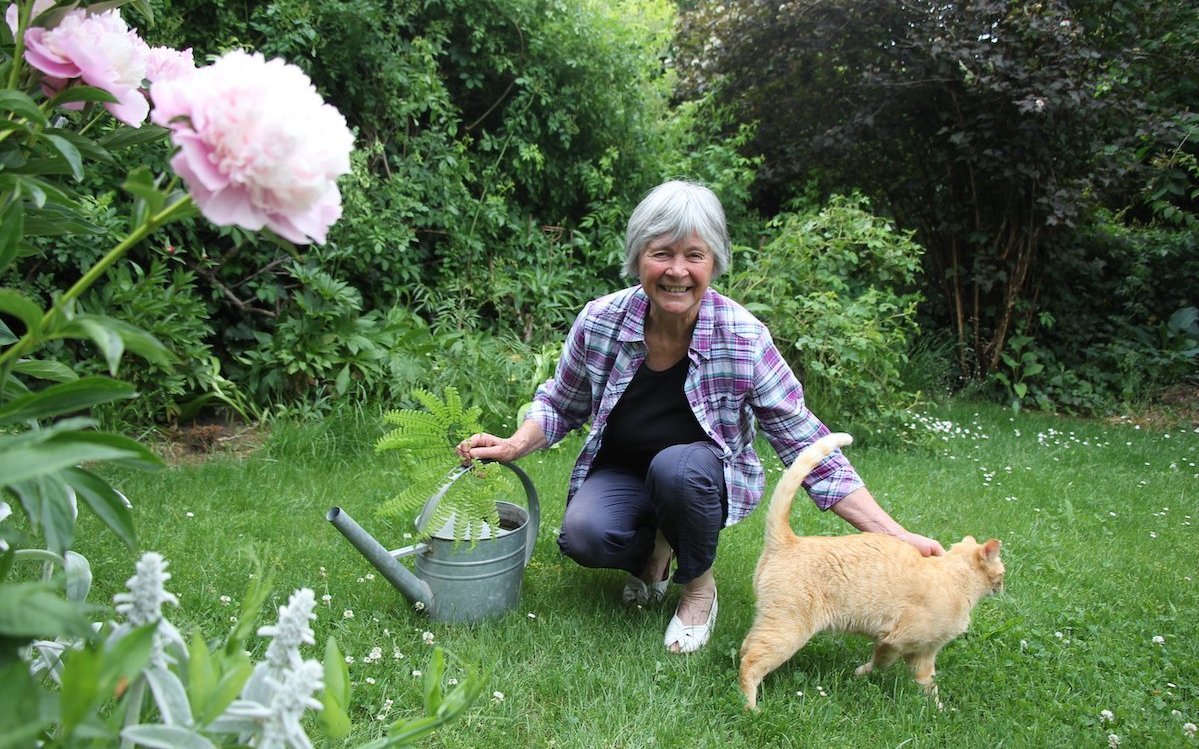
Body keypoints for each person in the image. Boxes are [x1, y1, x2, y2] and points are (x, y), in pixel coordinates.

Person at [456, 180, 944, 654]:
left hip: (697, 475)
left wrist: (894, 535)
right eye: (661, 253)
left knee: (679, 470)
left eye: (694, 255)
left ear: (714, 263)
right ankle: (656, 554)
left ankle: (697, 589)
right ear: (638, 259)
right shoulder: (601, 320)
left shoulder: (743, 338)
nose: (677, 271)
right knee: (584, 537)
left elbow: (805, 444)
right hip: (623, 468)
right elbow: (562, 400)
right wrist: (514, 444)